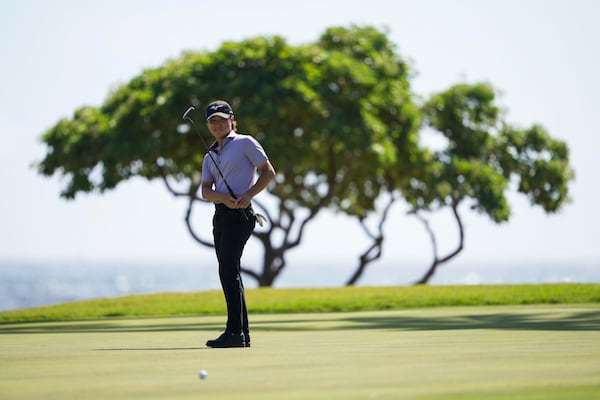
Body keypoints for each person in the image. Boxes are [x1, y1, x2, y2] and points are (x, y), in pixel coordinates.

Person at [201, 100, 276, 348]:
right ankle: (241, 333)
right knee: (229, 270)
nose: (217, 124)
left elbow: (268, 171)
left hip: (241, 216)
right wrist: (222, 197)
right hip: (220, 215)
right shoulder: (209, 155)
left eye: (222, 119)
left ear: (232, 119)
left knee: (227, 270)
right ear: (208, 125)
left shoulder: (246, 142)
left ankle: (234, 331)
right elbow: (205, 190)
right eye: (213, 121)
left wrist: (248, 195)